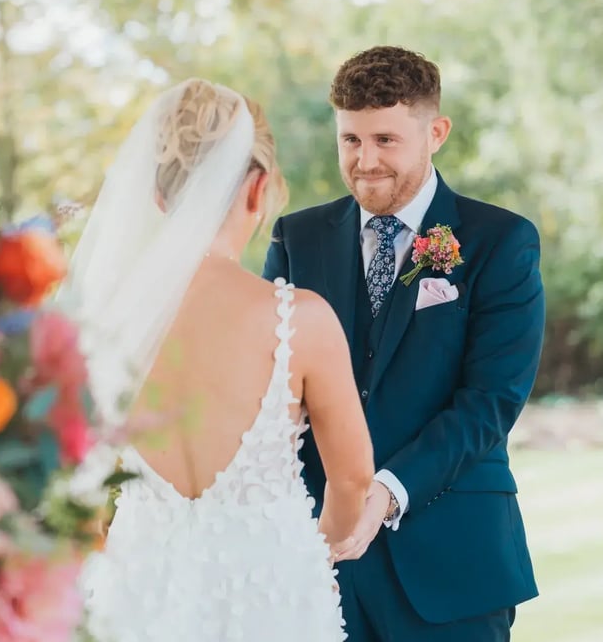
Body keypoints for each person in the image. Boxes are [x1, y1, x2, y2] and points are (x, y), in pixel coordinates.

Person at [70, 78, 375, 642]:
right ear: (258, 190)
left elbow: (74, 478)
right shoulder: (299, 319)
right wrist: (317, 556)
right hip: (272, 591)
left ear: (158, 198)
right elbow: (353, 477)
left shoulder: (106, 322)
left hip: (139, 588)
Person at [263, 46, 546, 642]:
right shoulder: (298, 237)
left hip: (454, 561)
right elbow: (267, 382)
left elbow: (491, 401)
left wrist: (388, 491)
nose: (365, 161)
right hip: (318, 560)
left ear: (435, 131)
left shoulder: (502, 241)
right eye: (351, 141)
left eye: (386, 140)